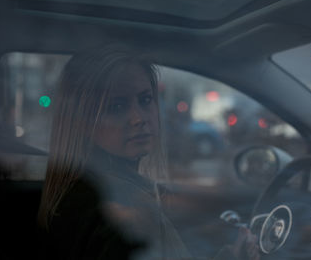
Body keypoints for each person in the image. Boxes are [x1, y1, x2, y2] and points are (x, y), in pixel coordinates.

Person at [37, 45, 260, 260]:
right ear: (81, 122)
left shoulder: (96, 189)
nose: (139, 118)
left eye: (145, 100)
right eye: (116, 106)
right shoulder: (116, 210)